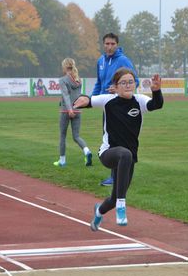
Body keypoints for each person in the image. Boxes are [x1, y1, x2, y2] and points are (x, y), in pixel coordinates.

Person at [74, 68, 163, 231]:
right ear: (115, 86)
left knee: (113, 198)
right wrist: (80, 101)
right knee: (124, 153)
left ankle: (99, 212)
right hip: (108, 153)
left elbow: (156, 104)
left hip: (128, 160)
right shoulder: (108, 100)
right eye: (123, 82)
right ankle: (122, 206)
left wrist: (156, 91)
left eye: (130, 82)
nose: (128, 85)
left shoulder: (139, 100)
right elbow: (89, 100)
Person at [93, 32, 140, 186]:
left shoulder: (123, 60)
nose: (109, 46)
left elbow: (136, 81)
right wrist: (92, 100)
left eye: (112, 44)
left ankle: (116, 177)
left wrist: (119, 90)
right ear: (103, 44)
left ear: (117, 45)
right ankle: (116, 174)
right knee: (109, 140)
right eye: (107, 43)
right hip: (107, 107)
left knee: (118, 141)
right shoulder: (101, 61)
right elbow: (99, 83)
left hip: (120, 107)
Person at [54, 58, 92, 167]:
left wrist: (69, 109)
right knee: (76, 136)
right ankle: (87, 151)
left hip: (67, 110)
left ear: (65, 67)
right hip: (78, 109)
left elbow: (66, 95)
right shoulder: (78, 80)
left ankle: (62, 161)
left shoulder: (63, 80)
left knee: (62, 135)